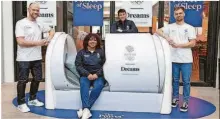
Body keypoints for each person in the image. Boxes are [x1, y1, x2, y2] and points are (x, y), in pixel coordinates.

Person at [15, 2, 55, 113]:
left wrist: (49, 39)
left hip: (36, 57)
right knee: (23, 80)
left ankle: (32, 99)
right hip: (24, 58)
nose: (36, 12)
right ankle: (21, 103)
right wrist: (39, 43)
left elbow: (52, 30)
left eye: (38, 10)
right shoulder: (21, 23)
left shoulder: (40, 23)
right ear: (29, 9)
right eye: (34, 10)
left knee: (37, 79)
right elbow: (20, 41)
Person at [156, 6, 196, 112]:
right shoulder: (170, 27)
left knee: (186, 81)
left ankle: (186, 101)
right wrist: (167, 37)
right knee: (175, 81)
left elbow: (193, 43)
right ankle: (175, 99)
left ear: (184, 14)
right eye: (176, 14)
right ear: (174, 15)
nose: (178, 15)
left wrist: (179, 45)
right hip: (173, 59)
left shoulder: (190, 28)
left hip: (186, 60)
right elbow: (157, 31)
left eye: (180, 13)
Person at [75, 33, 106, 119]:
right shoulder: (81, 53)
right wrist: (87, 74)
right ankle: (86, 110)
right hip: (86, 76)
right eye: (91, 40)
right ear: (87, 41)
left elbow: (106, 65)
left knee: (98, 86)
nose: (93, 42)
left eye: (95, 40)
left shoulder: (101, 52)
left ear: (97, 42)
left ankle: (85, 109)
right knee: (84, 85)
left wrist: (97, 74)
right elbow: (78, 66)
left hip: (98, 76)